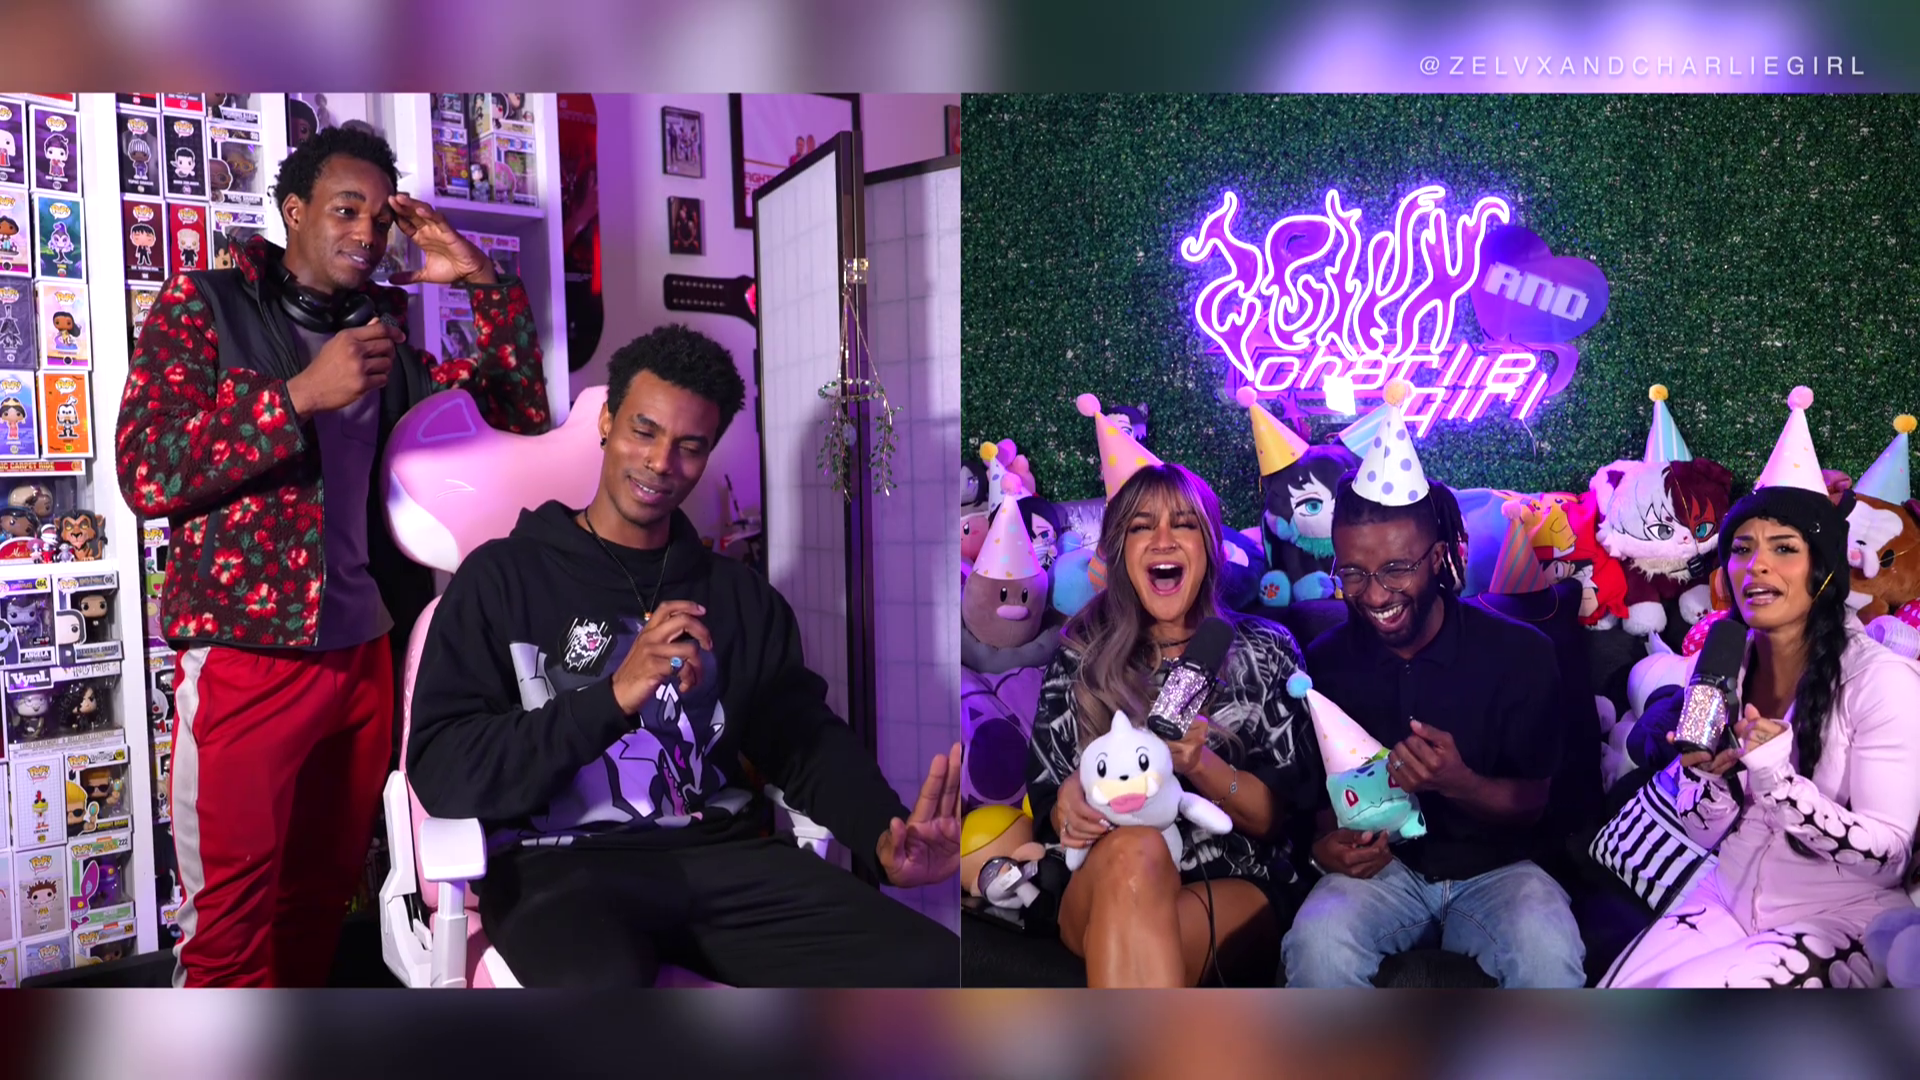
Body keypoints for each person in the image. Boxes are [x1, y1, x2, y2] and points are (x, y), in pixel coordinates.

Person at [114, 125, 550, 987]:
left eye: (381, 220)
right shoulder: (205, 305)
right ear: (293, 211)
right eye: (346, 210)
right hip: (247, 657)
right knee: (229, 920)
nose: (367, 233)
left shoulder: (380, 340)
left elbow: (516, 420)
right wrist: (300, 397)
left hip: (363, 657)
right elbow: (146, 470)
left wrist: (481, 281)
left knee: (320, 901)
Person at [405, 325, 961, 988]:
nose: (660, 462)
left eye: (689, 446)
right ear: (607, 422)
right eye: (643, 431)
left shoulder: (740, 599)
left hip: (721, 860)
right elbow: (444, 769)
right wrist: (611, 698)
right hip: (558, 869)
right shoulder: (501, 579)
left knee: (936, 971)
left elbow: (803, 740)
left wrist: (881, 834)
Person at [1606, 398, 1920, 988]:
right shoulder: (1723, 659)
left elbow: (1888, 859)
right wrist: (1705, 777)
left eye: (1784, 547)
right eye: (1742, 548)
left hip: (1841, 917)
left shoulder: (1882, 681)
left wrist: (1778, 777)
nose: (1757, 566)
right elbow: (1703, 829)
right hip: (1726, 893)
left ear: (1824, 569)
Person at [1280, 386, 1584, 988]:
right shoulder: (1325, 664)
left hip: (1500, 871)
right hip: (1383, 876)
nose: (1374, 594)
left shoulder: (1520, 654)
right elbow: (1317, 811)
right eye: (1353, 573)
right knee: (1318, 943)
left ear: (1439, 557)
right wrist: (1325, 849)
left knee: (1547, 950)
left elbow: (1535, 802)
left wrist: (1458, 781)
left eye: (1397, 568)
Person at [1026, 463, 1313, 987]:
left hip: (1230, 879)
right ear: (1120, 552)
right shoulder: (1081, 655)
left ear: (1209, 545)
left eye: (1183, 524)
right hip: (1100, 875)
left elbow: (1277, 819)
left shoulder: (1267, 651)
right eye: (1141, 527)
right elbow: (1049, 808)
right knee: (1137, 853)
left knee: (1137, 934)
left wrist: (1201, 764)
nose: (1163, 540)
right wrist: (1069, 803)